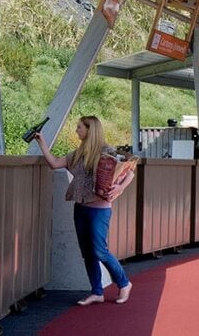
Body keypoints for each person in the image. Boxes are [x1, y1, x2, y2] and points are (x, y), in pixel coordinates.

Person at [33, 116, 135, 306]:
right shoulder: (78, 153)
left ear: (90, 130)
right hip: (80, 207)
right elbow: (54, 164)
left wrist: (120, 188)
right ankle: (97, 291)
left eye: (79, 127)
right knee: (87, 252)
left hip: (100, 209)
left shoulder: (107, 151)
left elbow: (129, 171)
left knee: (100, 251)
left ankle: (124, 283)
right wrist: (42, 143)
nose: (76, 130)